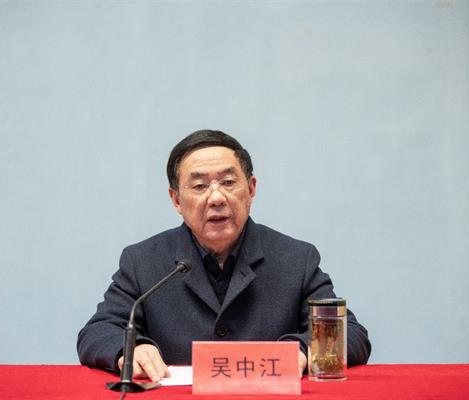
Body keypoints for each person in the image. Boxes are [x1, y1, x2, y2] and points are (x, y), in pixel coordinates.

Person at [77, 130, 371, 382]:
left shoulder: (296, 259)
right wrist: (131, 349)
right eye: (200, 186)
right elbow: (97, 331)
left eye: (229, 182)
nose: (216, 198)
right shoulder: (142, 261)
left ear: (251, 189)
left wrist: (302, 350)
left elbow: (352, 334)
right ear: (176, 199)